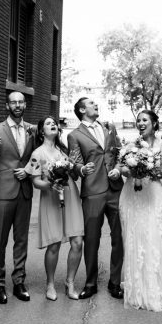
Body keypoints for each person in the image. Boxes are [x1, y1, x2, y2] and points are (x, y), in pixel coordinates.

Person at [117, 110, 162, 312]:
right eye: (138, 120)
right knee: (135, 238)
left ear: (154, 123)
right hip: (133, 194)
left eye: (145, 120)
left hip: (153, 194)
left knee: (153, 237)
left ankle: (155, 288)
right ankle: (136, 289)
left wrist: (147, 167)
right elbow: (122, 167)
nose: (141, 123)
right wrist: (131, 169)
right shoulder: (130, 146)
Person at [67, 97, 124, 299]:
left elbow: (119, 154)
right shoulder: (74, 135)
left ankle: (115, 282)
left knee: (120, 237)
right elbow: (73, 164)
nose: (96, 104)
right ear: (82, 109)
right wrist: (81, 168)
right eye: (91, 103)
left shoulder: (109, 128)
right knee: (91, 239)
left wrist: (118, 169)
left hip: (115, 190)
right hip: (92, 192)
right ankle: (91, 283)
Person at [26, 115, 84, 301]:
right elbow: (35, 181)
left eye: (55, 124)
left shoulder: (64, 151)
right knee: (54, 244)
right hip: (51, 198)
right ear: (42, 130)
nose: (53, 126)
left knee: (77, 241)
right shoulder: (37, 153)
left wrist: (77, 168)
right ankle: (50, 284)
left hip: (70, 196)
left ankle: (70, 282)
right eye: (48, 124)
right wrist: (50, 182)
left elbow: (74, 175)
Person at [0, 92, 36, 304]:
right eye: (13, 102)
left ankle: (19, 281)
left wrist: (29, 170)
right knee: (0, 240)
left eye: (20, 102)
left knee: (21, 239)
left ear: (25, 105)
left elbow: (39, 157)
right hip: (4, 192)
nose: (17, 105)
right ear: (7, 105)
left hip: (24, 190)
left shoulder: (33, 130)